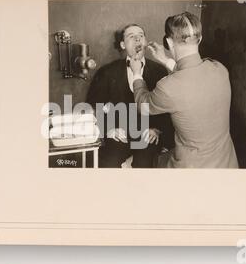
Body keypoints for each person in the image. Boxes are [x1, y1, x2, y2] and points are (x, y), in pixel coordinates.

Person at [130, 12, 238, 168]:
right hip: (227, 166)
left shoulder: (168, 87)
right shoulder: (219, 69)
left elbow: (142, 105)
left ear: (168, 42)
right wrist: (166, 60)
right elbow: (192, 79)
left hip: (191, 173)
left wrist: (136, 74)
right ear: (199, 39)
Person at [87, 23, 174, 168]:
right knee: (109, 162)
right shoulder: (107, 72)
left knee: (144, 163)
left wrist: (157, 130)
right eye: (131, 37)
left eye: (141, 36)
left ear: (145, 43)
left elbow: (166, 108)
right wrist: (109, 129)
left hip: (148, 135)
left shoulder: (160, 71)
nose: (137, 40)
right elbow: (94, 105)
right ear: (122, 45)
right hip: (118, 135)